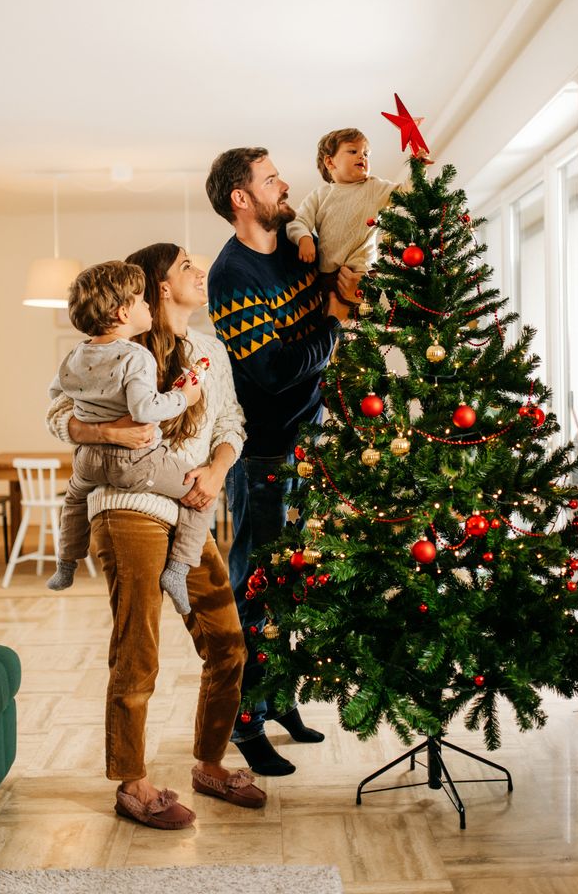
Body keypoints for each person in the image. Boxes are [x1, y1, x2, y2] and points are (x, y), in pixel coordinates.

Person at [47, 242, 265, 829]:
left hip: (190, 507)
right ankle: (132, 783)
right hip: (130, 508)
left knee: (227, 643)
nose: (202, 272)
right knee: (138, 648)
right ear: (159, 287)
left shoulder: (209, 352)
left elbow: (230, 423)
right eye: (187, 266)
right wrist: (112, 435)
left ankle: (210, 763)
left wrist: (217, 471)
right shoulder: (119, 346)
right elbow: (54, 416)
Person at [206, 147, 353, 776]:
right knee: (257, 586)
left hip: (310, 437)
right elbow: (270, 372)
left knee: (296, 580)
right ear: (242, 199)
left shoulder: (296, 249)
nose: (284, 183)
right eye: (270, 179)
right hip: (265, 453)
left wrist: (336, 290)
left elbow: (316, 315)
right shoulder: (231, 274)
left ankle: (282, 697)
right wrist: (337, 321)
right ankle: (245, 721)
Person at [47, 259, 208, 615]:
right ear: (122, 313)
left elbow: (55, 391)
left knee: (73, 500)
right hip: (135, 463)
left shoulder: (76, 353)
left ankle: (66, 564)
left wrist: (94, 409)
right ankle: (179, 570)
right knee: (201, 497)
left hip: (88, 461)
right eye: (141, 301)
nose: (148, 305)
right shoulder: (137, 356)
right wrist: (185, 397)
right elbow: (144, 411)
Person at [286, 127, 399, 280]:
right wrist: (304, 238)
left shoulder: (374, 187)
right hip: (328, 274)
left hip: (363, 272)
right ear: (330, 162)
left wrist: (418, 167)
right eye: (353, 151)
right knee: (330, 302)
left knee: (354, 303)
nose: (362, 156)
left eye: (366, 154)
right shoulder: (320, 195)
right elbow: (297, 220)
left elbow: (405, 192)